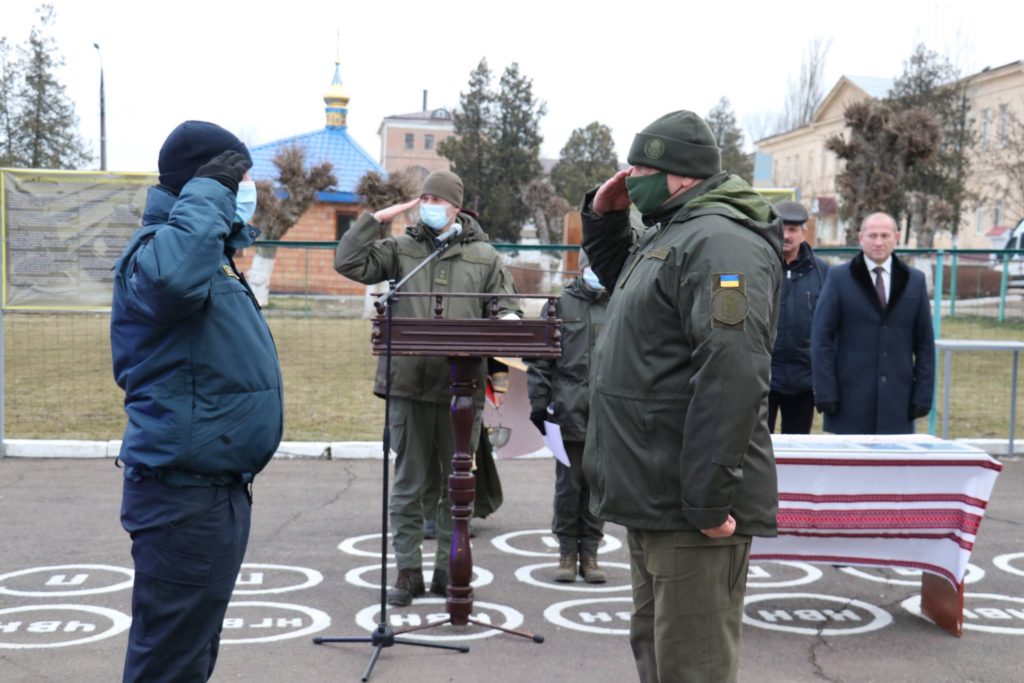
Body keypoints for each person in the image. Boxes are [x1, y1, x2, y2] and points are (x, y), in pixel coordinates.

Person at [580, 110, 782, 683]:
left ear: (682, 174)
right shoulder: (674, 231)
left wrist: (709, 499)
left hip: (690, 505)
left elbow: (733, 375)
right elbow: (629, 280)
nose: (629, 176)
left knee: (692, 665)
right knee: (659, 653)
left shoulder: (721, 243)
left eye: (641, 167)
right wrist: (604, 219)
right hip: (655, 490)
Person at [111, 120, 284, 682]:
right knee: (168, 665)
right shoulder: (158, 256)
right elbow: (170, 285)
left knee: (189, 657)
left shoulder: (205, 253)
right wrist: (210, 191)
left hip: (212, 495)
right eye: (239, 179)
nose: (248, 191)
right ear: (203, 187)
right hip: (182, 499)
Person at [334, 170, 519, 606]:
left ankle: (445, 573)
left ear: (457, 206)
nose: (429, 204)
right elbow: (348, 262)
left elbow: (506, 306)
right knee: (409, 482)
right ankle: (408, 572)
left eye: (438, 198)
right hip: (408, 385)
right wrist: (374, 220)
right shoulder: (402, 250)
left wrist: (508, 323)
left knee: (456, 485)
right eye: (425, 197)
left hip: (460, 388)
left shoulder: (484, 256)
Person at [811, 211, 935, 434]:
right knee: (849, 468)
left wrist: (923, 394)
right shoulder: (839, 278)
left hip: (898, 403)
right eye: (872, 235)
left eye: (885, 235)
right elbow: (822, 339)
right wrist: (825, 391)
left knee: (892, 467)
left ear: (897, 237)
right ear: (861, 238)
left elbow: (925, 344)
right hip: (848, 401)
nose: (879, 242)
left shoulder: (914, 281)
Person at [526, 258, 609, 584]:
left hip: (605, 415)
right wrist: (538, 403)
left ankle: (590, 553)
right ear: (583, 266)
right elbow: (540, 360)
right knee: (568, 487)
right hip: (565, 411)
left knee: (596, 488)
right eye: (592, 263)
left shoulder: (619, 302)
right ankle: (566, 554)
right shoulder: (559, 304)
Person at [769, 200, 829, 434]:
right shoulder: (760, 266)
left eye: (793, 230)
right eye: (782, 228)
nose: (786, 235)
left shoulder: (823, 273)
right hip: (766, 378)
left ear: (804, 233)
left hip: (804, 380)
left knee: (797, 446)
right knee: (759, 449)